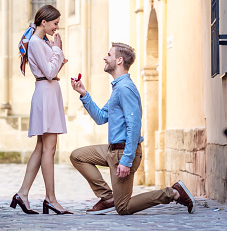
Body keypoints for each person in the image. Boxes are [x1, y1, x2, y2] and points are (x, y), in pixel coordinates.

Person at [70, 42, 196, 216]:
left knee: (123, 207)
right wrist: (84, 94)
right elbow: (100, 118)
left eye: (109, 54)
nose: (105, 58)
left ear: (119, 60)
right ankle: (107, 197)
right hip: (111, 151)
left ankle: (173, 193)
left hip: (123, 153)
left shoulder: (125, 89)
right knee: (78, 156)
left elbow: (134, 125)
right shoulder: (117, 88)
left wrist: (126, 160)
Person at [11, 5, 72, 215]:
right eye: (55, 23)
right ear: (44, 22)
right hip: (46, 93)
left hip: (49, 92)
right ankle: (51, 199)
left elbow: (53, 69)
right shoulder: (37, 43)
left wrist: (56, 53)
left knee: (41, 147)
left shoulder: (41, 42)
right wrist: (57, 49)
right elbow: (48, 72)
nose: (57, 28)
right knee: (49, 148)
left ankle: (23, 193)